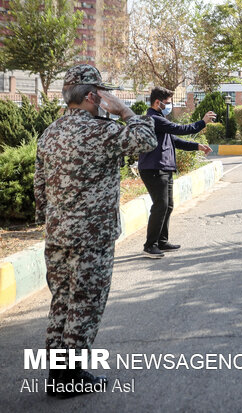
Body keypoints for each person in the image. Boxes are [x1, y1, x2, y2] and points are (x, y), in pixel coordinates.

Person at [34, 64, 157, 398]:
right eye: (103, 93)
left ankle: (56, 373)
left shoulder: (49, 134)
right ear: (92, 95)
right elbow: (146, 140)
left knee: (61, 300)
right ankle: (69, 376)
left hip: (57, 236)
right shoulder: (102, 131)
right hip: (93, 237)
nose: (106, 100)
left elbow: (40, 191)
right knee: (86, 303)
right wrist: (125, 109)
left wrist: (56, 221)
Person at [138, 87, 215, 258]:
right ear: (157, 102)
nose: (170, 106)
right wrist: (202, 122)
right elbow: (181, 129)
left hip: (163, 168)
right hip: (153, 168)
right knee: (160, 205)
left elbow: (175, 140)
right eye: (168, 103)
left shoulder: (160, 119)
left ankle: (162, 241)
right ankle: (150, 246)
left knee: (168, 205)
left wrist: (197, 146)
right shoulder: (154, 119)